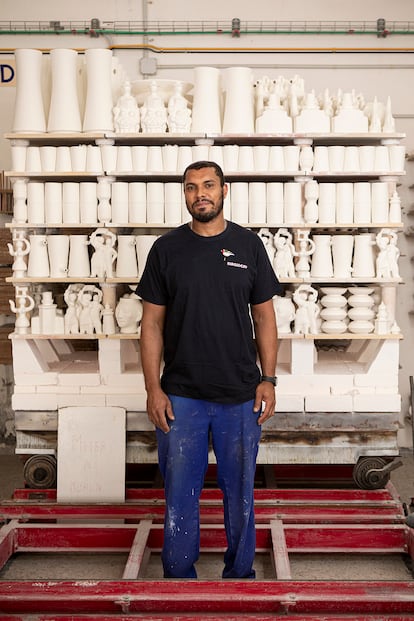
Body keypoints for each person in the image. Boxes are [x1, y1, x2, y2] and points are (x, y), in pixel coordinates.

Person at [137, 160, 282, 579]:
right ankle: (179, 576)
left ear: (224, 190)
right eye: (191, 187)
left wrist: (268, 379)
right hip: (181, 395)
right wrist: (153, 389)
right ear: (184, 194)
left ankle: (239, 576)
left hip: (240, 394)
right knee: (180, 492)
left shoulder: (249, 246)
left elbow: (266, 319)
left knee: (239, 492)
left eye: (208, 185)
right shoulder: (167, 250)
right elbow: (151, 324)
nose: (200, 193)